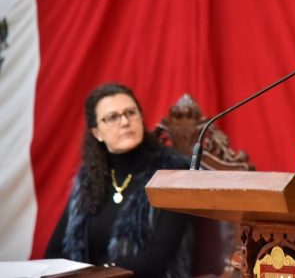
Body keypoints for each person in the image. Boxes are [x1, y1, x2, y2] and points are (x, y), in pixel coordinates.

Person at [45, 83, 194, 277]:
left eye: (130, 113)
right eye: (112, 117)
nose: (125, 122)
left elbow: (159, 257)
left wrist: (101, 273)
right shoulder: (89, 177)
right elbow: (54, 251)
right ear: (97, 132)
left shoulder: (173, 171)